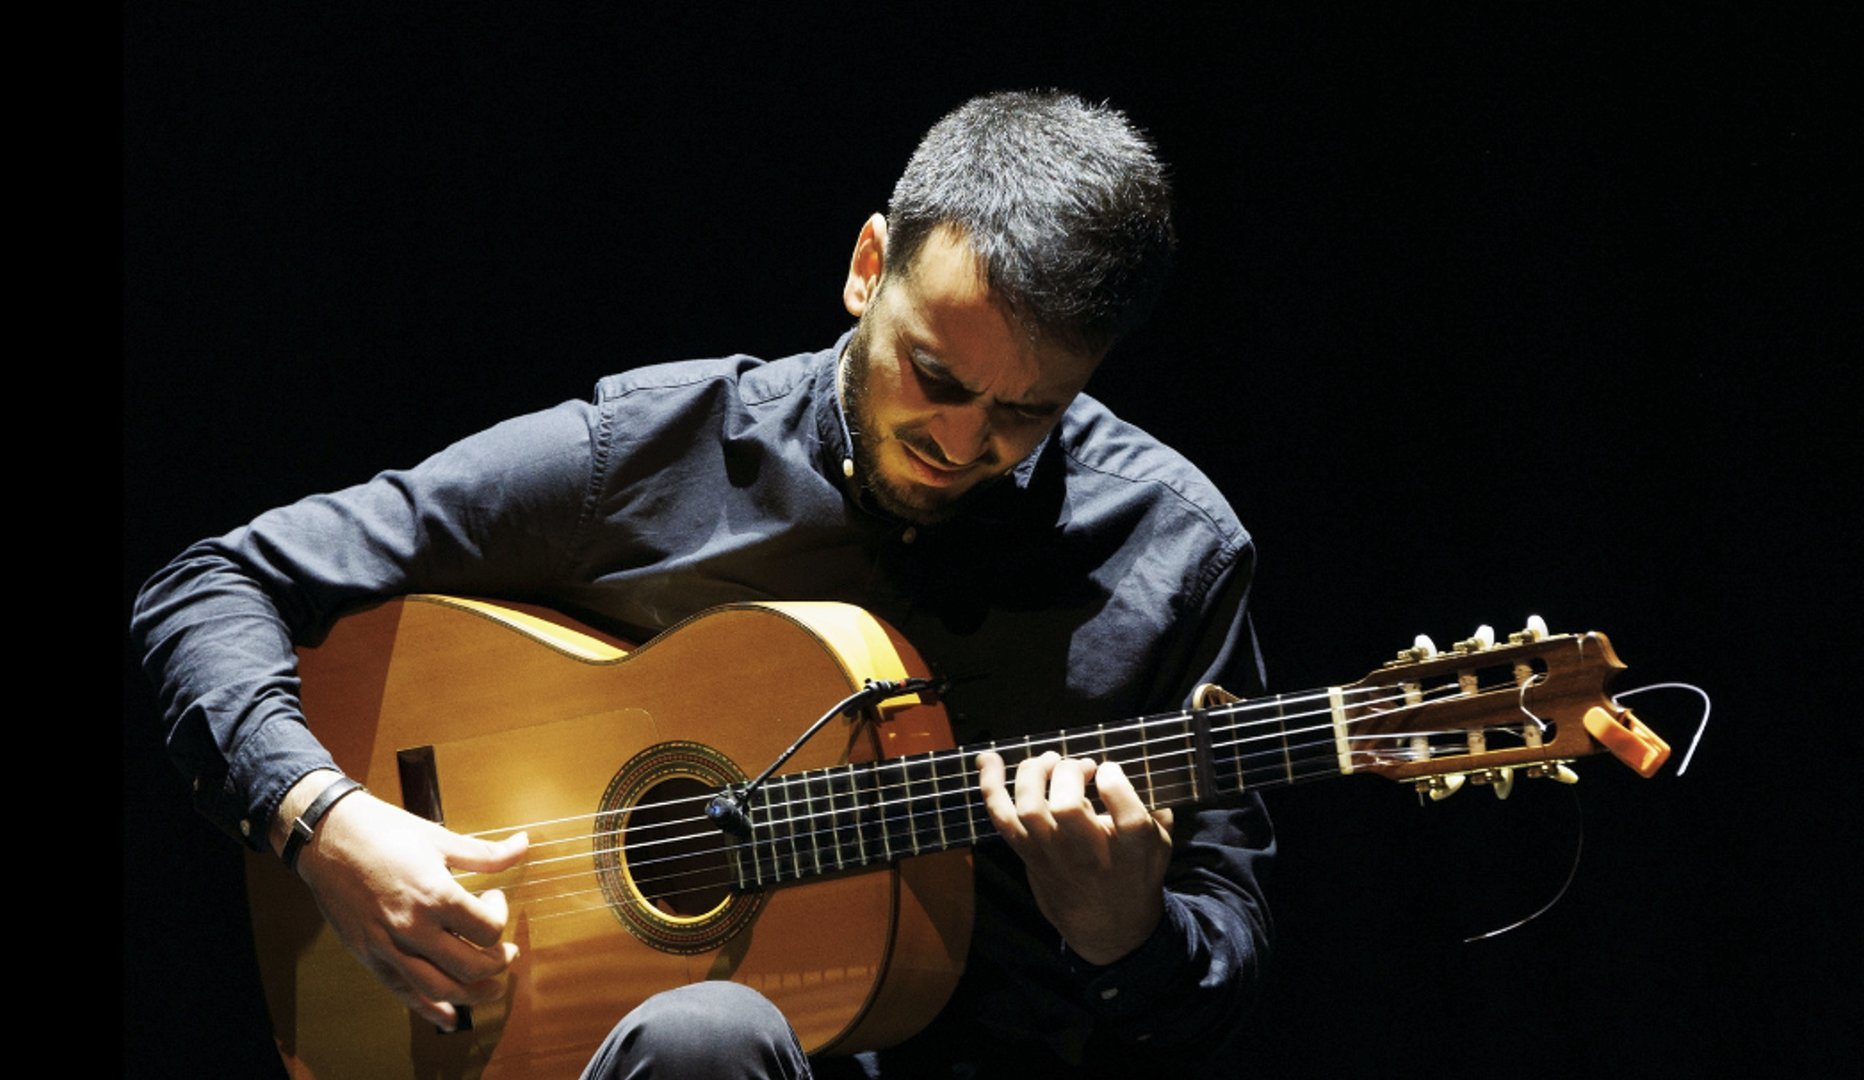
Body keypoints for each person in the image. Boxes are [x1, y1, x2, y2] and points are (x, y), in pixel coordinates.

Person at [130, 89, 1275, 1078]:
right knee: (705, 1041)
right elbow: (214, 585)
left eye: (1024, 414)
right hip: (601, 1053)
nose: (959, 439)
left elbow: (1222, 972)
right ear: (868, 265)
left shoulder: (1173, 555)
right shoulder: (650, 454)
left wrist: (1129, 936)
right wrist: (326, 824)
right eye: (933, 374)